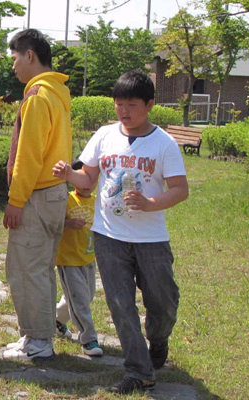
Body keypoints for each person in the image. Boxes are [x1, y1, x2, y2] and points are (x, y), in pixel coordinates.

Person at [52, 70, 189, 395]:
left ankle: (157, 340)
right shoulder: (104, 135)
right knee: (121, 305)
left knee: (162, 303)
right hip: (109, 237)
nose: (123, 111)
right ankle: (139, 371)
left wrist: (150, 202)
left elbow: (180, 189)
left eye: (131, 105)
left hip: (151, 239)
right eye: (118, 105)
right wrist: (68, 174)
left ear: (150, 104)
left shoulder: (164, 143)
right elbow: (88, 180)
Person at [2, 29, 73, 361]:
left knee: (26, 269)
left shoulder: (37, 97)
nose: (13, 65)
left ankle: (38, 341)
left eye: (15, 57)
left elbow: (28, 155)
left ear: (29, 55)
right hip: (54, 194)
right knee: (40, 269)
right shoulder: (57, 93)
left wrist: (16, 201)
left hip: (36, 196)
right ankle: (37, 336)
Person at [53, 160, 103, 357]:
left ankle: (56, 320)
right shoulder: (66, 200)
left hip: (89, 258)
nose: (88, 183)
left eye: (92, 179)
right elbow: (53, 223)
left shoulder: (98, 201)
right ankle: (88, 338)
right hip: (68, 260)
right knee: (80, 300)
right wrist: (67, 223)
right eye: (82, 177)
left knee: (86, 296)